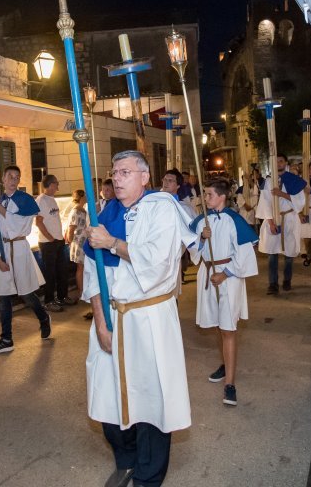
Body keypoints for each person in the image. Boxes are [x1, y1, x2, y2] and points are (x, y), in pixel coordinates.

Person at [82, 150, 194, 487]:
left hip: (149, 319)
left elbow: (159, 262)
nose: (117, 178)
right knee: (106, 398)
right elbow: (92, 272)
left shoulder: (162, 208)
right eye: (114, 172)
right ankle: (126, 460)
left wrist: (113, 243)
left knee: (152, 402)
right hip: (111, 318)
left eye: (126, 172)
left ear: (145, 177)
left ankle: (148, 476)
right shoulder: (107, 212)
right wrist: (100, 322)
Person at [188, 177, 258, 406]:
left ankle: (230, 384)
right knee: (219, 325)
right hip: (207, 275)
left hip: (228, 278)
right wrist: (201, 238)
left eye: (208, 194)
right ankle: (226, 363)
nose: (205, 198)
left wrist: (225, 273)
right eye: (205, 194)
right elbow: (192, 250)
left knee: (228, 328)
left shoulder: (233, 220)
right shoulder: (202, 221)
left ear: (222, 196)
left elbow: (245, 255)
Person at [0, 166, 50, 356]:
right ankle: (6, 339)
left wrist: (1, 210)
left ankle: (43, 317)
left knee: (26, 294)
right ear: (3, 179)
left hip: (19, 249)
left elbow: (22, 225)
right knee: (4, 296)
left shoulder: (26, 200)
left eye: (17, 177)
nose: (13, 180)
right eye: (10, 176)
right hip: (3, 251)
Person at [256, 153, 307, 294]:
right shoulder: (268, 181)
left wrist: (281, 194)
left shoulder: (294, 180)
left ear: (285, 163)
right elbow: (265, 203)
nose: (278, 163)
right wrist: (271, 223)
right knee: (272, 254)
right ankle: (273, 284)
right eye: (276, 161)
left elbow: (300, 201)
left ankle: (287, 281)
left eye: (281, 161)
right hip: (273, 218)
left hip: (289, 218)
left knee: (289, 254)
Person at [35, 174, 72, 313]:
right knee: (49, 274)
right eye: (56, 183)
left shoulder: (52, 199)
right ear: (50, 185)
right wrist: (50, 238)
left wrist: (60, 237)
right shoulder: (41, 200)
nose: (58, 186)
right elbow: (38, 221)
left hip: (58, 241)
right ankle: (49, 301)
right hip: (48, 243)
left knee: (62, 271)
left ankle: (62, 297)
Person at [161, 168, 196, 286]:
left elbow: (192, 233)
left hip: (172, 258)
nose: (166, 182)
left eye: (170, 180)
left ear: (178, 186)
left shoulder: (184, 208)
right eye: (165, 179)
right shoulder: (152, 203)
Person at [67, 189, 88, 295]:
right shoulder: (75, 211)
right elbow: (70, 230)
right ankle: (80, 291)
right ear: (81, 197)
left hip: (84, 242)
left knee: (84, 267)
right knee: (80, 267)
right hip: (79, 243)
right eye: (85, 196)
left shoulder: (82, 210)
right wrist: (71, 243)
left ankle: (84, 290)